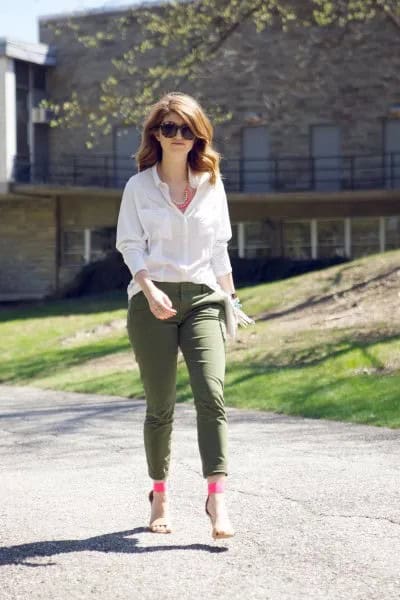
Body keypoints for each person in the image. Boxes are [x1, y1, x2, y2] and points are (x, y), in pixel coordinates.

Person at [116, 91, 238, 540]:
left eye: (187, 129)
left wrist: (232, 303)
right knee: (160, 406)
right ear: (156, 133)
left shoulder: (211, 183)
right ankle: (160, 492)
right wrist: (148, 291)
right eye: (169, 128)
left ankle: (216, 496)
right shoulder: (138, 188)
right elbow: (130, 245)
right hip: (152, 299)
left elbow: (220, 249)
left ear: (198, 135)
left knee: (212, 394)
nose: (178, 136)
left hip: (204, 298)